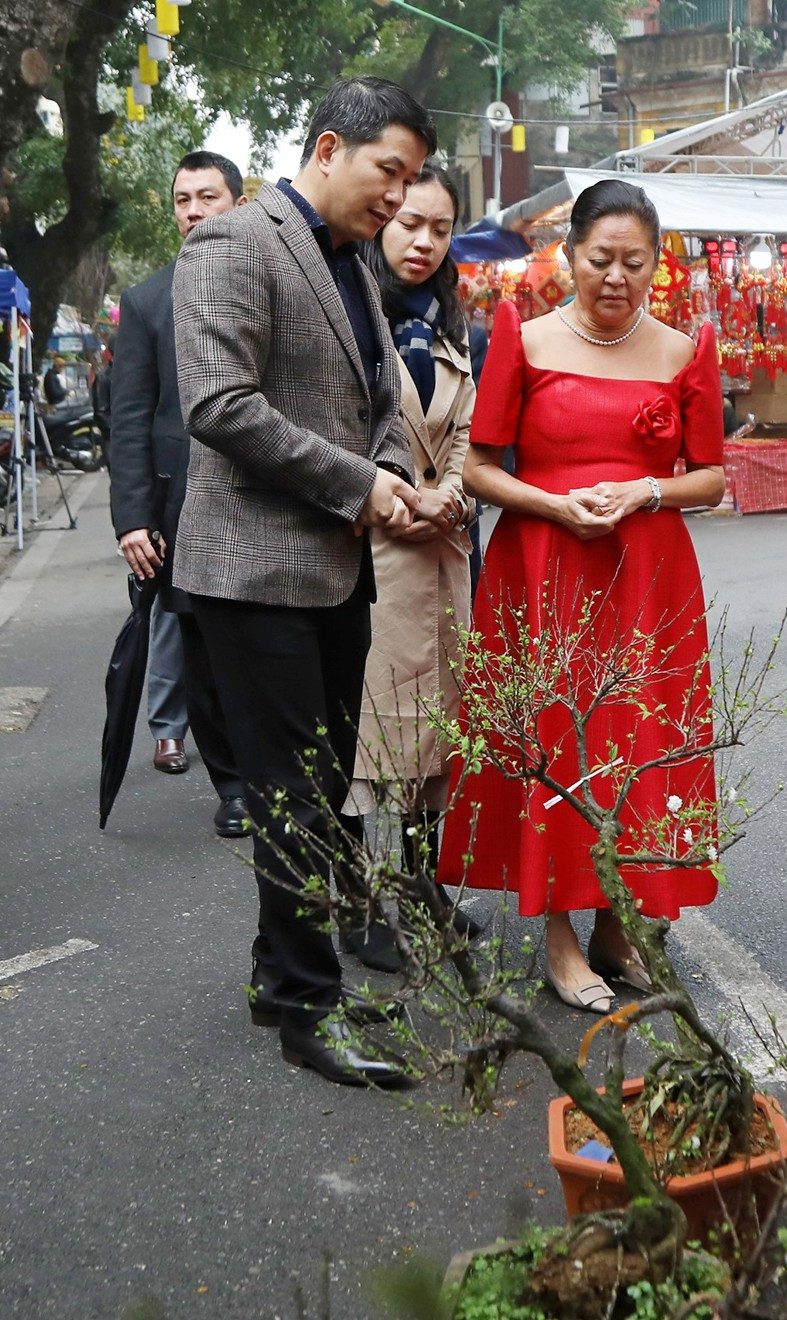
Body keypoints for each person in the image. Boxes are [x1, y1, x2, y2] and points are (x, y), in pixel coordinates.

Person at [172, 76, 434, 1090]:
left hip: (333, 567)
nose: (397, 200)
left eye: (410, 181)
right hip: (254, 572)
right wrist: (361, 484)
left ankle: (282, 979)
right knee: (292, 796)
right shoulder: (234, 243)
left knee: (321, 785)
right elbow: (221, 404)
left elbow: (375, 397)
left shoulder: (348, 261)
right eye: (389, 173)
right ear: (330, 147)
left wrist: (396, 472)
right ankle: (307, 1011)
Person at [439, 179, 726, 1015]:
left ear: (657, 266)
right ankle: (559, 934)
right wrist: (554, 504)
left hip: (647, 578)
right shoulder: (521, 341)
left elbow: (708, 478)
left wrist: (645, 493)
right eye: (599, 259)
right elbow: (479, 468)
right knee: (554, 740)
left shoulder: (683, 350)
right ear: (567, 257)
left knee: (634, 741)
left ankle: (612, 924)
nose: (615, 277)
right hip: (541, 570)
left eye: (635, 263)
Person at [338, 159, 482, 971]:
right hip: (370, 556)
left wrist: (455, 495)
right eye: (408, 224)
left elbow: (464, 434)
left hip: (442, 560)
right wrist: (394, 497)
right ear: (382, 220)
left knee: (435, 739)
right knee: (368, 740)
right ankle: (360, 905)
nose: (423, 242)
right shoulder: (350, 314)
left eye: (439, 228)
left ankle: (426, 890)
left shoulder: (454, 321)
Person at [109, 149, 251, 839]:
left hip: (267, 501)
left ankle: (278, 773)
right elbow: (130, 417)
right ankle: (233, 787)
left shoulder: (271, 282)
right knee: (200, 650)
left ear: (238, 202)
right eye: (182, 200)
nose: (193, 211)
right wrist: (134, 518)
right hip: (182, 510)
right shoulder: (144, 302)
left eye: (207, 197)